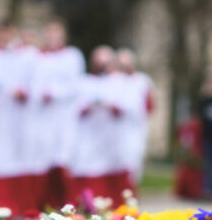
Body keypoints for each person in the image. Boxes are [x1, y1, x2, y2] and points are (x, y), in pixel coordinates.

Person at [29, 19, 85, 207]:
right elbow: (33, 84)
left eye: (56, 33)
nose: (52, 37)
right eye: (50, 33)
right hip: (44, 116)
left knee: (64, 157)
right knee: (43, 158)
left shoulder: (72, 56)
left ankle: (69, 204)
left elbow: (75, 85)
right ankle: (44, 204)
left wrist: (53, 92)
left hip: (64, 115)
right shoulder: (39, 58)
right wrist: (40, 93)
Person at [0, 21, 36, 213]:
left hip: (19, 117)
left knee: (20, 159)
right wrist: (8, 90)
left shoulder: (23, 57)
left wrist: (24, 91)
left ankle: (20, 207)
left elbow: (32, 80)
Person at [69, 47, 128, 206]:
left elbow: (128, 108)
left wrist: (110, 105)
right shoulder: (84, 82)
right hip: (89, 135)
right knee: (87, 170)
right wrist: (90, 105)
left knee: (111, 173)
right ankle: (86, 206)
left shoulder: (119, 82)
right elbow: (75, 109)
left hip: (111, 137)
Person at [115, 48, 153, 190]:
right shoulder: (114, 80)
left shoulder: (142, 81)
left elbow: (149, 105)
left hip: (135, 128)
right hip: (116, 129)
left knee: (133, 162)